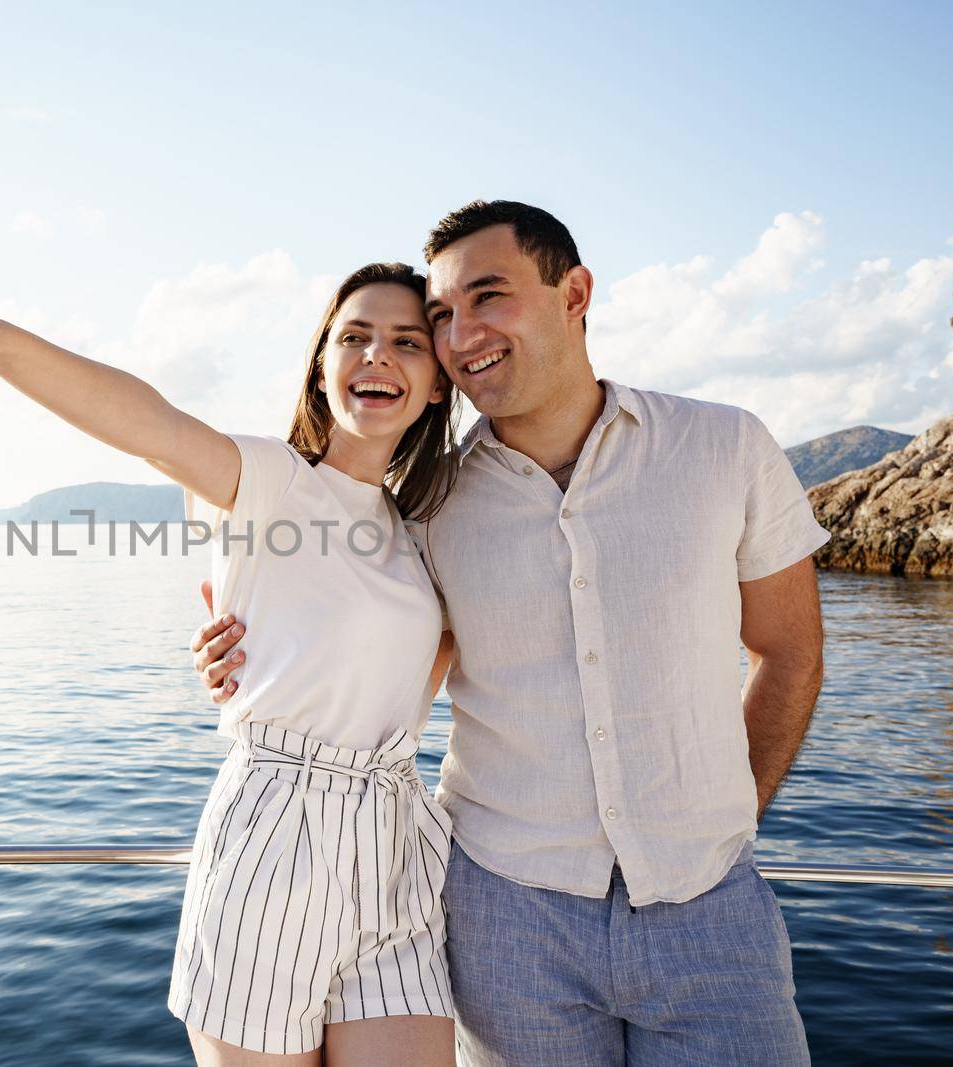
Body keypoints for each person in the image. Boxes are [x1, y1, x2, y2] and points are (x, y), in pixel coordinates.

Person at [191, 201, 828, 1066]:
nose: (461, 335)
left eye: (487, 297)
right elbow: (353, 637)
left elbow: (788, 650)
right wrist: (243, 654)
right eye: (443, 315)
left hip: (710, 915)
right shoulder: (426, 507)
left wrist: (726, 816)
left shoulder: (726, 447)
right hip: (503, 920)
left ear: (575, 292)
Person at [0, 242, 464, 1066]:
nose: (378, 355)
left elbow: (405, 671)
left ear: (439, 379)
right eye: (355, 336)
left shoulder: (424, 536)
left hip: (396, 842)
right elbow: (147, 422)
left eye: (407, 340)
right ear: (323, 365)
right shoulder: (271, 482)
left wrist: (259, 663)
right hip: (277, 839)